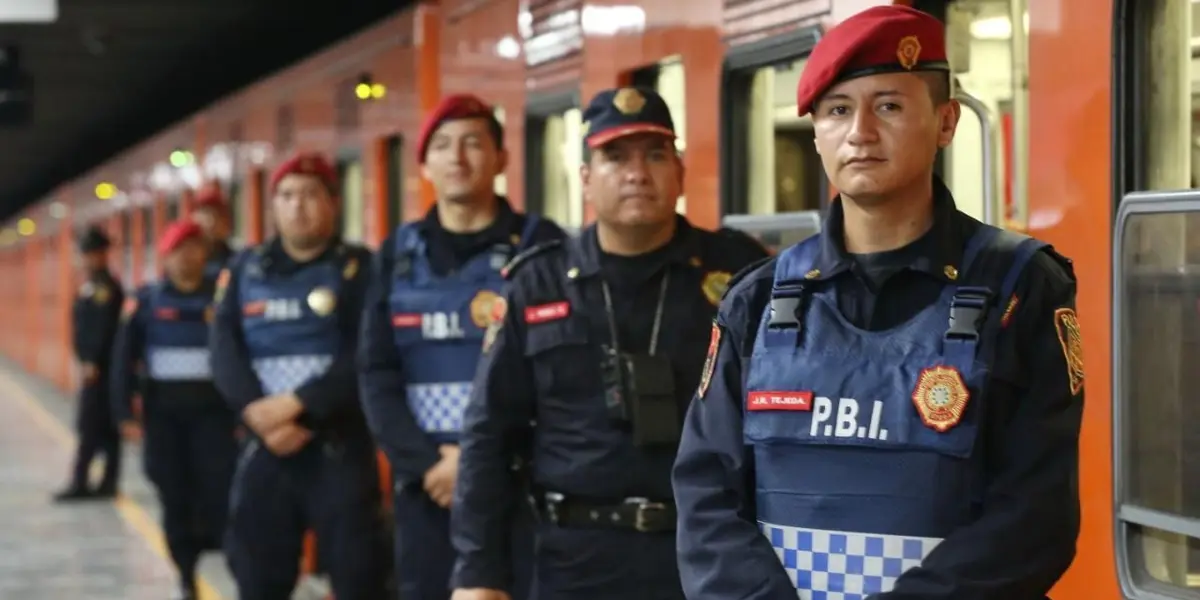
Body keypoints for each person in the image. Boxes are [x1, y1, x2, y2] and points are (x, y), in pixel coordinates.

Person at [671, 6, 1083, 600]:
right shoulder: (755, 302)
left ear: (946, 123)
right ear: (816, 134)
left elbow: (1035, 516)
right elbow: (706, 498)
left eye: (888, 105)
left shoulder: (1021, 291)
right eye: (838, 110)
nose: (860, 132)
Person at [448, 86, 769, 600]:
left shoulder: (739, 274)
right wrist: (477, 574)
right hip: (572, 559)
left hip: (710, 555)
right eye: (614, 157)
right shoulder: (538, 282)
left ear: (681, 173)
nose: (637, 173)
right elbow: (488, 434)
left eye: (656, 155)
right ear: (585, 180)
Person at [359, 93, 566, 600]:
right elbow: (376, 373)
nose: (458, 157)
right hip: (429, 489)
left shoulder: (544, 247)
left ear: (502, 159)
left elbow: (563, 369)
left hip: (525, 489)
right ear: (425, 164)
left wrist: (482, 467)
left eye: (474, 143)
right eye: (444, 145)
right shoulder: (395, 255)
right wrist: (429, 465)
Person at [210, 151, 389, 600]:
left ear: (333, 202)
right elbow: (224, 350)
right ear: (273, 206)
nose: (298, 205)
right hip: (264, 447)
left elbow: (365, 354)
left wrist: (300, 409)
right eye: (287, 195)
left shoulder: (361, 269)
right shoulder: (244, 270)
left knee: (358, 574)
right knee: (257, 576)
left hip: (338, 447)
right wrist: (257, 414)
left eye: (311, 194)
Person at [110, 219, 238, 600]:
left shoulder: (221, 299)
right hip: (165, 419)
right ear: (166, 257)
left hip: (213, 419)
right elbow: (123, 361)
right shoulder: (146, 301)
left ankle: (228, 565)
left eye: (195, 249)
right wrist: (123, 414)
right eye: (179, 250)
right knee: (173, 495)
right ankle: (185, 573)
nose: (188, 257)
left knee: (220, 493)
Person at [54, 225, 125, 502]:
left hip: (101, 370)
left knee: (92, 424)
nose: (86, 259)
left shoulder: (105, 288)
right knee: (103, 425)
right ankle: (104, 481)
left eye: (90, 253)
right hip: (94, 368)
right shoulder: (92, 285)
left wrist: (91, 360)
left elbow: (102, 328)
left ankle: (82, 481)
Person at [191, 185, 235, 277]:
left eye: (217, 215)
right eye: (205, 213)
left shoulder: (234, 260)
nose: (211, 221)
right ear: (193, 217)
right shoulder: (185, 258)